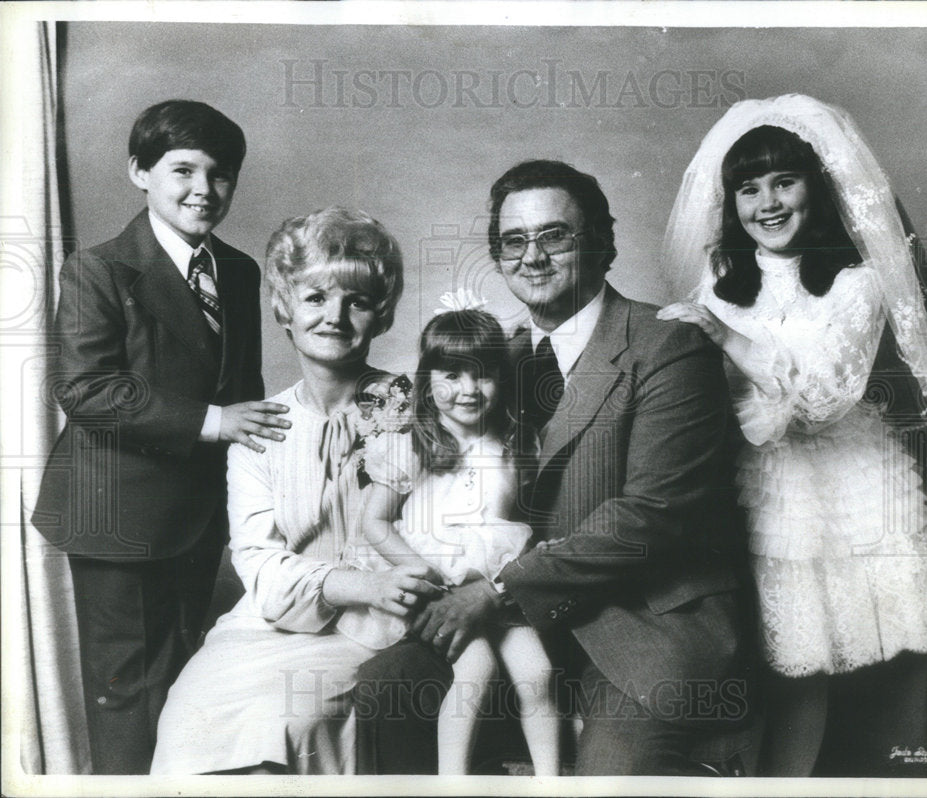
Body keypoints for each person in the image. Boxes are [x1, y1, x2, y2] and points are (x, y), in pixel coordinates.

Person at [357, 159, 754, 776]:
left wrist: (494, 590)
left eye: (554, 236)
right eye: (513, 241)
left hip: (639, 627)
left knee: (607, 780)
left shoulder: (667, 345)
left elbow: (651, 518)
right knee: (388, 686)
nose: (532, 257)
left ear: (602, 243)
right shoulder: (500, 358)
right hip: (516, 620)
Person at [656, 94, 927, 776]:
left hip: (846, 488)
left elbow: (824, 398)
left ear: (817, 187)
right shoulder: (720, 280)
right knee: (781, 669)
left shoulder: (857, 284)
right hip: (752, 488)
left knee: (889, 657)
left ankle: (913, 778)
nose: (767, 203)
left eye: (784, 181)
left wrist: (720, 333)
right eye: (748, 188)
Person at [30, 100, 291, 774]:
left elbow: (244, 388)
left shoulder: (237, 272)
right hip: (116, 514)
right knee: (126, 692)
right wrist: (214, 422)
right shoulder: (98, 270)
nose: (204, 189)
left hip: (198, 515)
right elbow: (86, 389)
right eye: (183, 169)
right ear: (139, 172)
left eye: (221, 175)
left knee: (184, 680)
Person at [149, 207, 441, 774]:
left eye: (356, 301)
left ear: (379, 316)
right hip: (272, 622)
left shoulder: (409, 406)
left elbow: (447, 518)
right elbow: (257, 560)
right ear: (286, 307)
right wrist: (352, 582)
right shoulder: (262, 425)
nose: (335, 316)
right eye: (315, 298)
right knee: (187, 721)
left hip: (372, 630)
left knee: (281, 726)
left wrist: (391, 586)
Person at [337, 306, 560, 775]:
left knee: (537, 673)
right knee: (477, 669)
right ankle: (451, 780)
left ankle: (550, 781)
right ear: (428, 377)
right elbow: (375, 523)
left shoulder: (516, 442)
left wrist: (513, 578)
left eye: (483, 375)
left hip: (495, 587)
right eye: (452, 374)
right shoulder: (412, 444)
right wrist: (425, 576)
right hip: (435, 580)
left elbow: (523, 521)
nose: (468, 390)